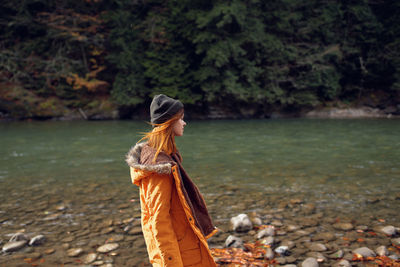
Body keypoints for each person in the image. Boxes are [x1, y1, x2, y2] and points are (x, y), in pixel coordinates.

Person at [126, 94, 218, 267]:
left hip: (185, 246)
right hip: (178, 254)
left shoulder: (166, 158)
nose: (184, 123)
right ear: (170, 122)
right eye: (181, 119)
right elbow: (158, 222)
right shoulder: (158, 168)